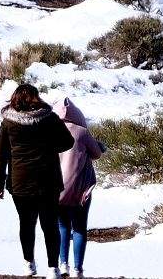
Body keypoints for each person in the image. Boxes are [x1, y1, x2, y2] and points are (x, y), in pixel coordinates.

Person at [0, 83, 74, 278]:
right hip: (48, 180)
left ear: (14, 99)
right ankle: (53, 268)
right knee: (50, 225)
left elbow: (0, 155)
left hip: (20, 182)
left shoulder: (8, 122)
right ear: (36, 98)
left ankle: (29, 263)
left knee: (26, 224)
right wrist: (49, 148)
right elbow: (68, 142)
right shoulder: (50, 119)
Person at [53, 97, 105, 279]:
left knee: (62, 227)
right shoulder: (82, 132)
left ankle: (63, 264)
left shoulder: (50, 133)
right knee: (80, 228)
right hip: (80, 191)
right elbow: (96, 154)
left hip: (56, 190)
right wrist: (98, 146)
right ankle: (78, 269)